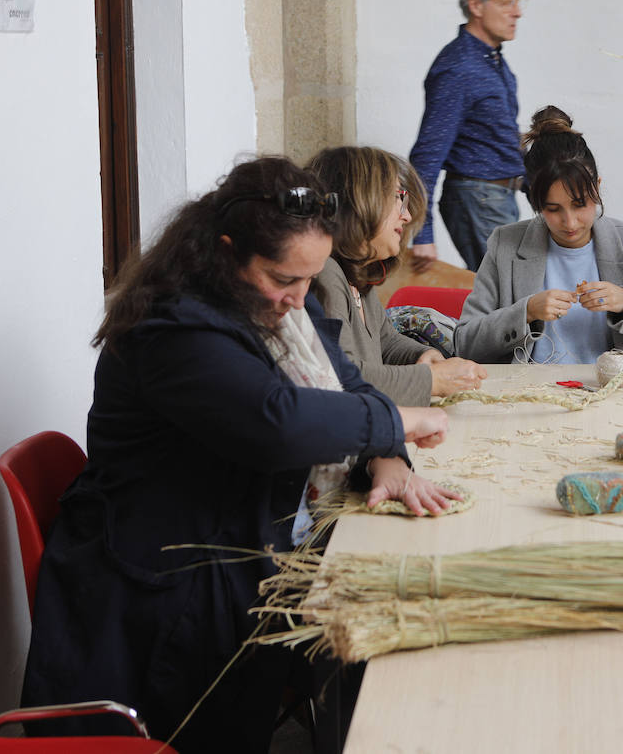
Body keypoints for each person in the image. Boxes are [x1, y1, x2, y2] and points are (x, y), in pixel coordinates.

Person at [22, 157, 458, 753]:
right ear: (225, 253)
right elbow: (275, 421)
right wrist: (397, 420)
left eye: (309, 280)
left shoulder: (272, 308)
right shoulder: (172, 326)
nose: (298, 299)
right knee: (373, 650)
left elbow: (344, 380)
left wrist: (389, 458)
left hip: (234, 549)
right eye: (284, 280)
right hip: (165, 591)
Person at [455, 107, 623, 364]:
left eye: (580, 204)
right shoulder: (505, 245)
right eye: (553, 209)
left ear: (597, 188)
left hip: (619, 397)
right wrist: (526, 312)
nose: (570, 222)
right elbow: (464, 343)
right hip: (531, 394)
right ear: (535, 202)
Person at [307, 145, 487, 405]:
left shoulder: (358, 276)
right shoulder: (326, 272)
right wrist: (432, 380)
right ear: (359, 200)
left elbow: (386, 341)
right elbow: (342, 376)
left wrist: (424, 355)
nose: (407, 215)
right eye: (398, 198)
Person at [409, 0, 526, 273]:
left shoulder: (491, 59)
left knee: (509, 299)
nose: (517, 11)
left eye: (517, 0)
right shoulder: (459, 67)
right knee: (510, 300)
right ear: (476, 5)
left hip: (494, 197)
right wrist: (422, 233)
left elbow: (498, 137)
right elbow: (428, 152)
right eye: (506, 1)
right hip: (479, 199)